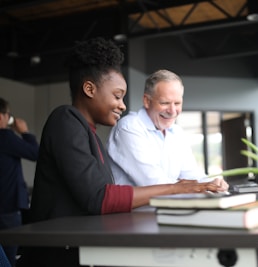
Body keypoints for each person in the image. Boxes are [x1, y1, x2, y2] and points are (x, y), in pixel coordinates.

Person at [16, 38, 222, 267]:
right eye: (117, 95)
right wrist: (176, 187)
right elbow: (98, 197)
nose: (123, 105)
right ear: (89, 89)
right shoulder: (65, 119)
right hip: (54, 257)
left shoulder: (90, 133)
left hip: (78, 251)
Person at [106, 69, 228, 189]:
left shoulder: (176, 132)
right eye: (165, 103)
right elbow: (155, 183)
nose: (172, 111)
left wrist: (213, 183)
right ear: (147, 101)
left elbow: (191, 174)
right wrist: (202, 186)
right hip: (136, 209)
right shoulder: (129, 128)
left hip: (168, 207)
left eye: (177, 103)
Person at [0, 98, 39, 267]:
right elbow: (36, 153)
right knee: (9, 259)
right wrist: (25, 132)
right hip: (8, 209)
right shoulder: (5, 137)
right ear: (1, 117)